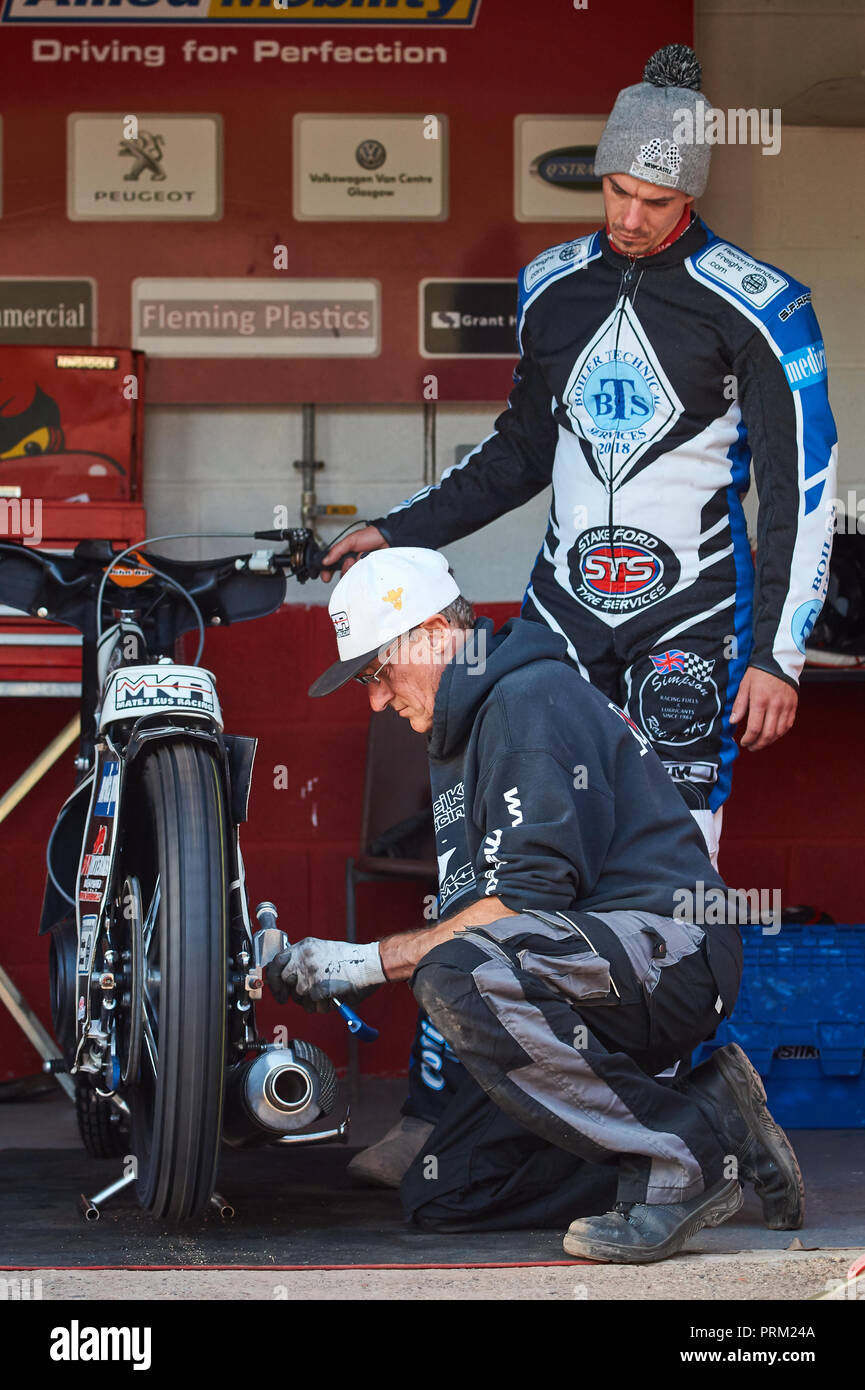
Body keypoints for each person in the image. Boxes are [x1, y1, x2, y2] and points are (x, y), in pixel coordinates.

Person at [321, 42, 838, 1165]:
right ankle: (438, 1117)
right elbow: (516, 455)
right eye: (615, 190)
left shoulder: (761, 304)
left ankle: (675, 1124)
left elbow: (802, 490)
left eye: (655, 199)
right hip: (557, 624)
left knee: (673, 899)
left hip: (689, 631)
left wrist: (776, 654)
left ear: (691, 193)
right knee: (490, 857)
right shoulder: (552, 283)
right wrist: (396, 529)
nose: (631, 215)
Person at [268, 548, 804, 1263]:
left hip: (675, 948)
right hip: (593, 964)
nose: (375, 699)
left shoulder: (526, 700)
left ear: (431, 633)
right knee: (447, 1193)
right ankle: (709, 1121)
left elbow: (519, 907)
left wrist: (360, 964)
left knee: (455, 974)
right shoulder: (466, 725)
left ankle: (676, 1165)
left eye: (376, 671)